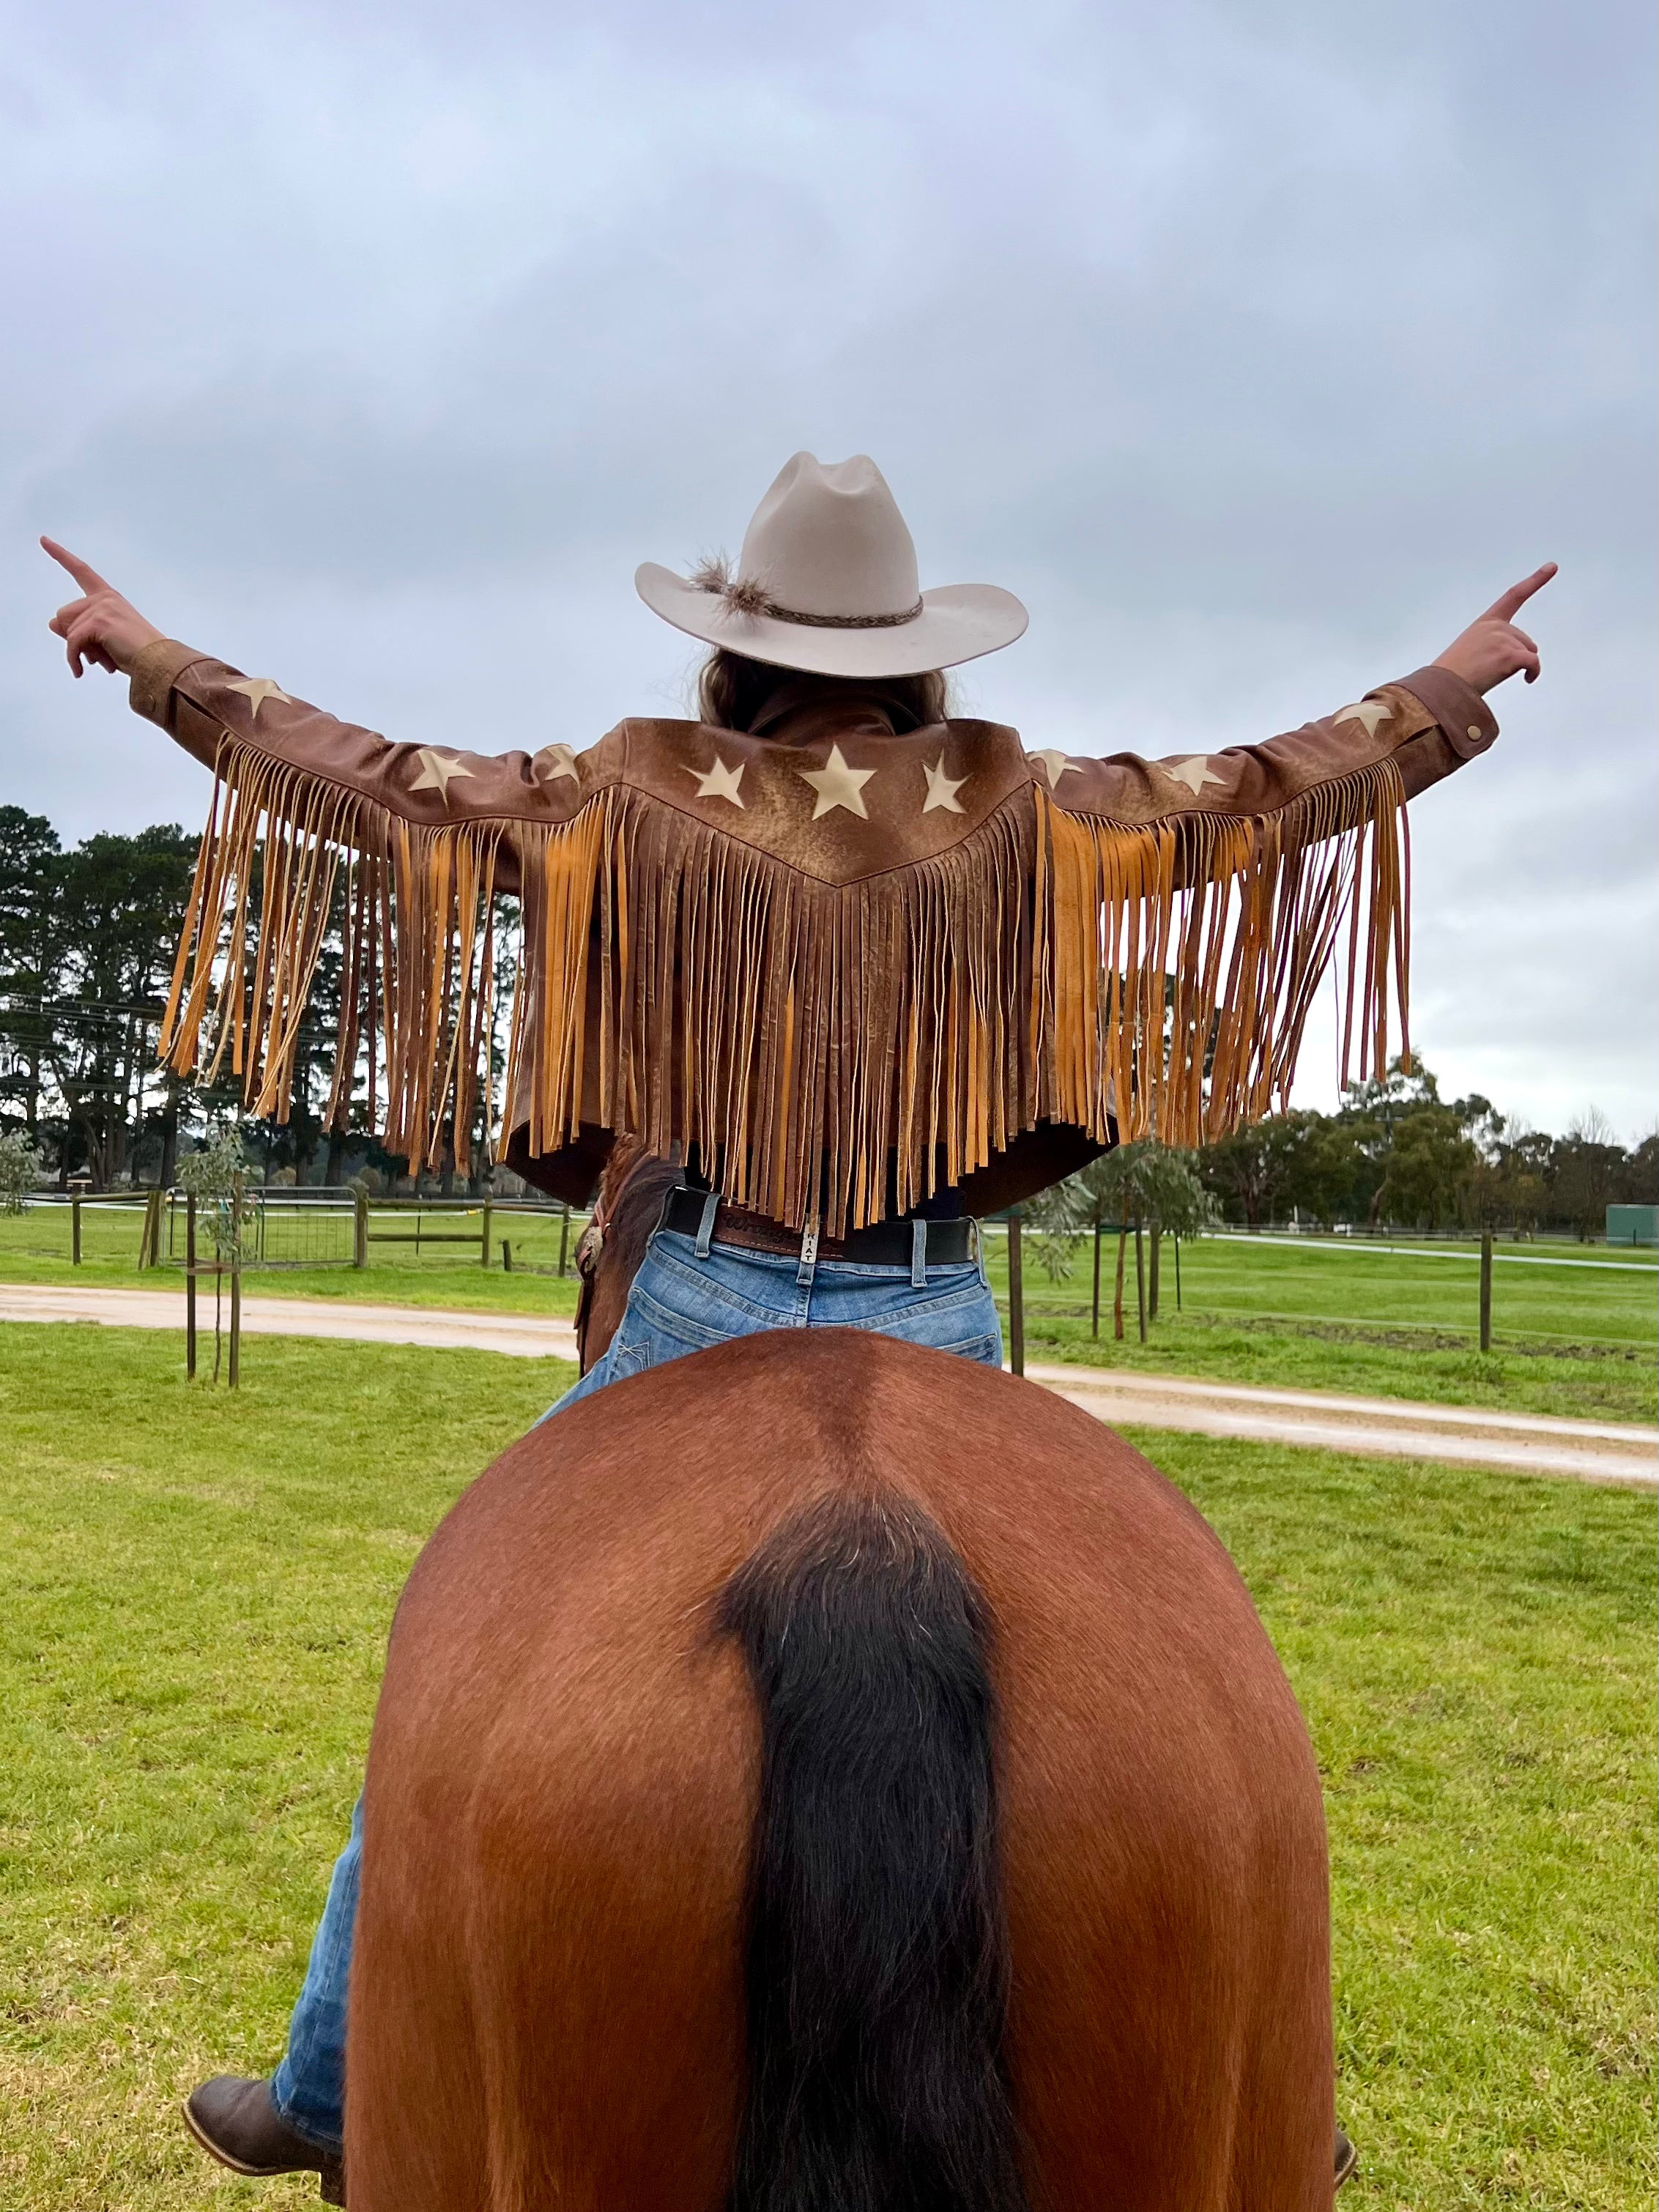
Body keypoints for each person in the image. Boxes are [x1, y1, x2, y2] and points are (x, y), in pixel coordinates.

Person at [45, 453, 1552, 2193]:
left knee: (449, 1656)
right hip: (934, 1301)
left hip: (700, 1288)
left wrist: (159, 663)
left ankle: (324, 2082)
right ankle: (1267, 2085)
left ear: (734, 652)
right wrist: (1440, 693)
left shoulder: (629, 792)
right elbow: (1255, 789)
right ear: (915, 658)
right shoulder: (1025, 803)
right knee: (1183, 1675)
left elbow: (375, 782)